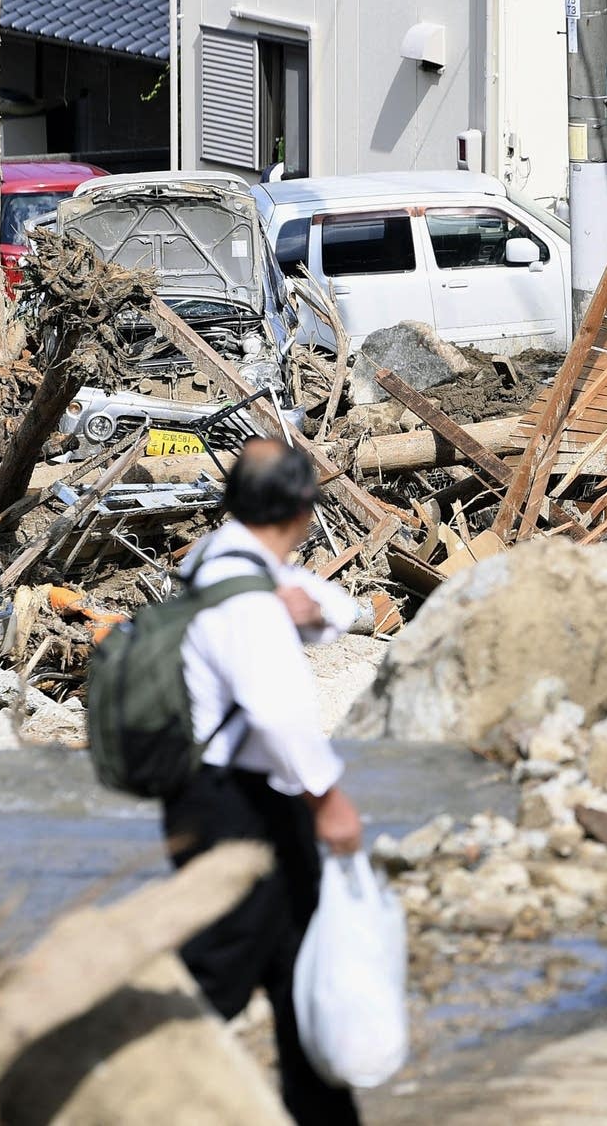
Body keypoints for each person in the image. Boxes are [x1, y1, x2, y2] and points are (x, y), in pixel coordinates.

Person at [166, 438, 365, 1126]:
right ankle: (132, 1097)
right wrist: (331, 800)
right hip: (240, 808)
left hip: (228, 799)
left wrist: (308, 610)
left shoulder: (220, 558)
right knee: (214, 978)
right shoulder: (248, 596)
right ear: (303, 510)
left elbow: (337, 607)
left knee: (295, 970)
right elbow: (278, 714)